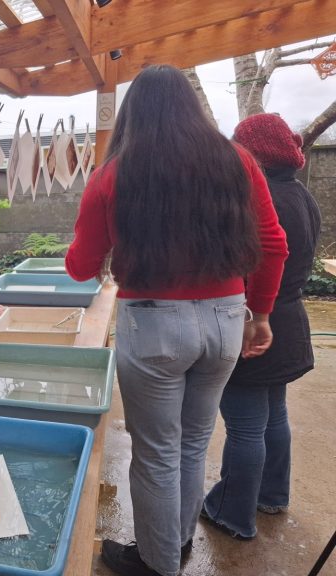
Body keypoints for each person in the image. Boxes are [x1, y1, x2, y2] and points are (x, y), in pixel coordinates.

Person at [64, 65, 288, 576]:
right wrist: (262, 314)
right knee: (192, 442)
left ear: (131, 114)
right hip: (228, 319)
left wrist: (79, 243)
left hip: (153, 325)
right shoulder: (238, 161)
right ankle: (177, 542)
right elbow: (274, 243)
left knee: (157, 452)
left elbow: (81, 267)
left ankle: (157, 562)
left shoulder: (113, 173)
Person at [202, 114, 321, 539]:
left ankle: (231, 513)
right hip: (290, 322)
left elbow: (243, 263)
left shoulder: (259, 197)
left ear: (255, 153)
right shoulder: (302, 196)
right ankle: (271, 495)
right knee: (274, 415)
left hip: (256, 322)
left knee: (246, 425)